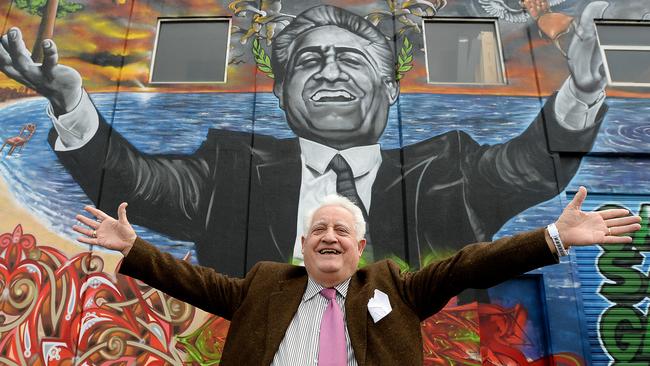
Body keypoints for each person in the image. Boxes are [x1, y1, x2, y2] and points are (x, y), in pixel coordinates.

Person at [0, 3, 610, 275]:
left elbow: (526, 168)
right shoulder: (228, 168)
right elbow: (135, 182)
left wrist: (580, 92)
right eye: (310, 62)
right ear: (282, 95)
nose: (330, 72)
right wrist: (69, 101)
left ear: (389, 93)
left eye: (350, 59)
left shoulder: (446, 170)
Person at [73, 187, 640, 365]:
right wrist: (135, 248)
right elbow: (192, 282)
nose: (329, 236)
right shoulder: (266, 284)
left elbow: (471, 263)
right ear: (303, 243)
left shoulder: (393, 286)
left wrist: (554, 237)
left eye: (341, 230)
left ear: (360, 246)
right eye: (319, 228)